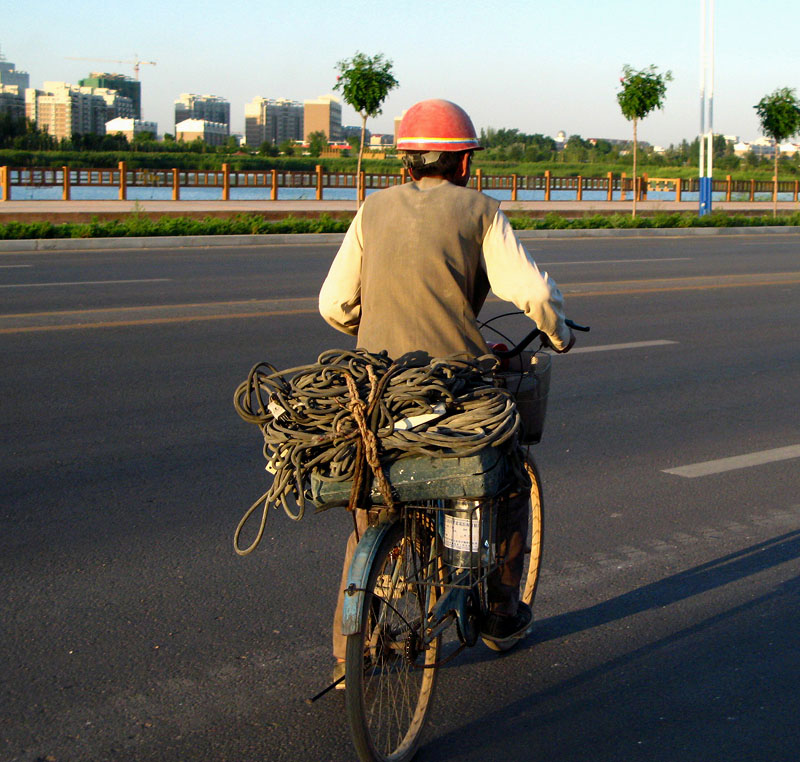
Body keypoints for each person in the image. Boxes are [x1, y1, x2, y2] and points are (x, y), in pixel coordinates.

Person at [318, 98, 573, 681]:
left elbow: (333, 304)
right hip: (452, 388)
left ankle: (345, 650)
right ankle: (501, 615)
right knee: (505, 477)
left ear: (406, 163)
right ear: (463, 163)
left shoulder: (371, 210)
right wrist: (557, 334)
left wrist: (374, 326)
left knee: (375, 495)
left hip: (378, 389)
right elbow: (530, 294)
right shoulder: (480, 211)